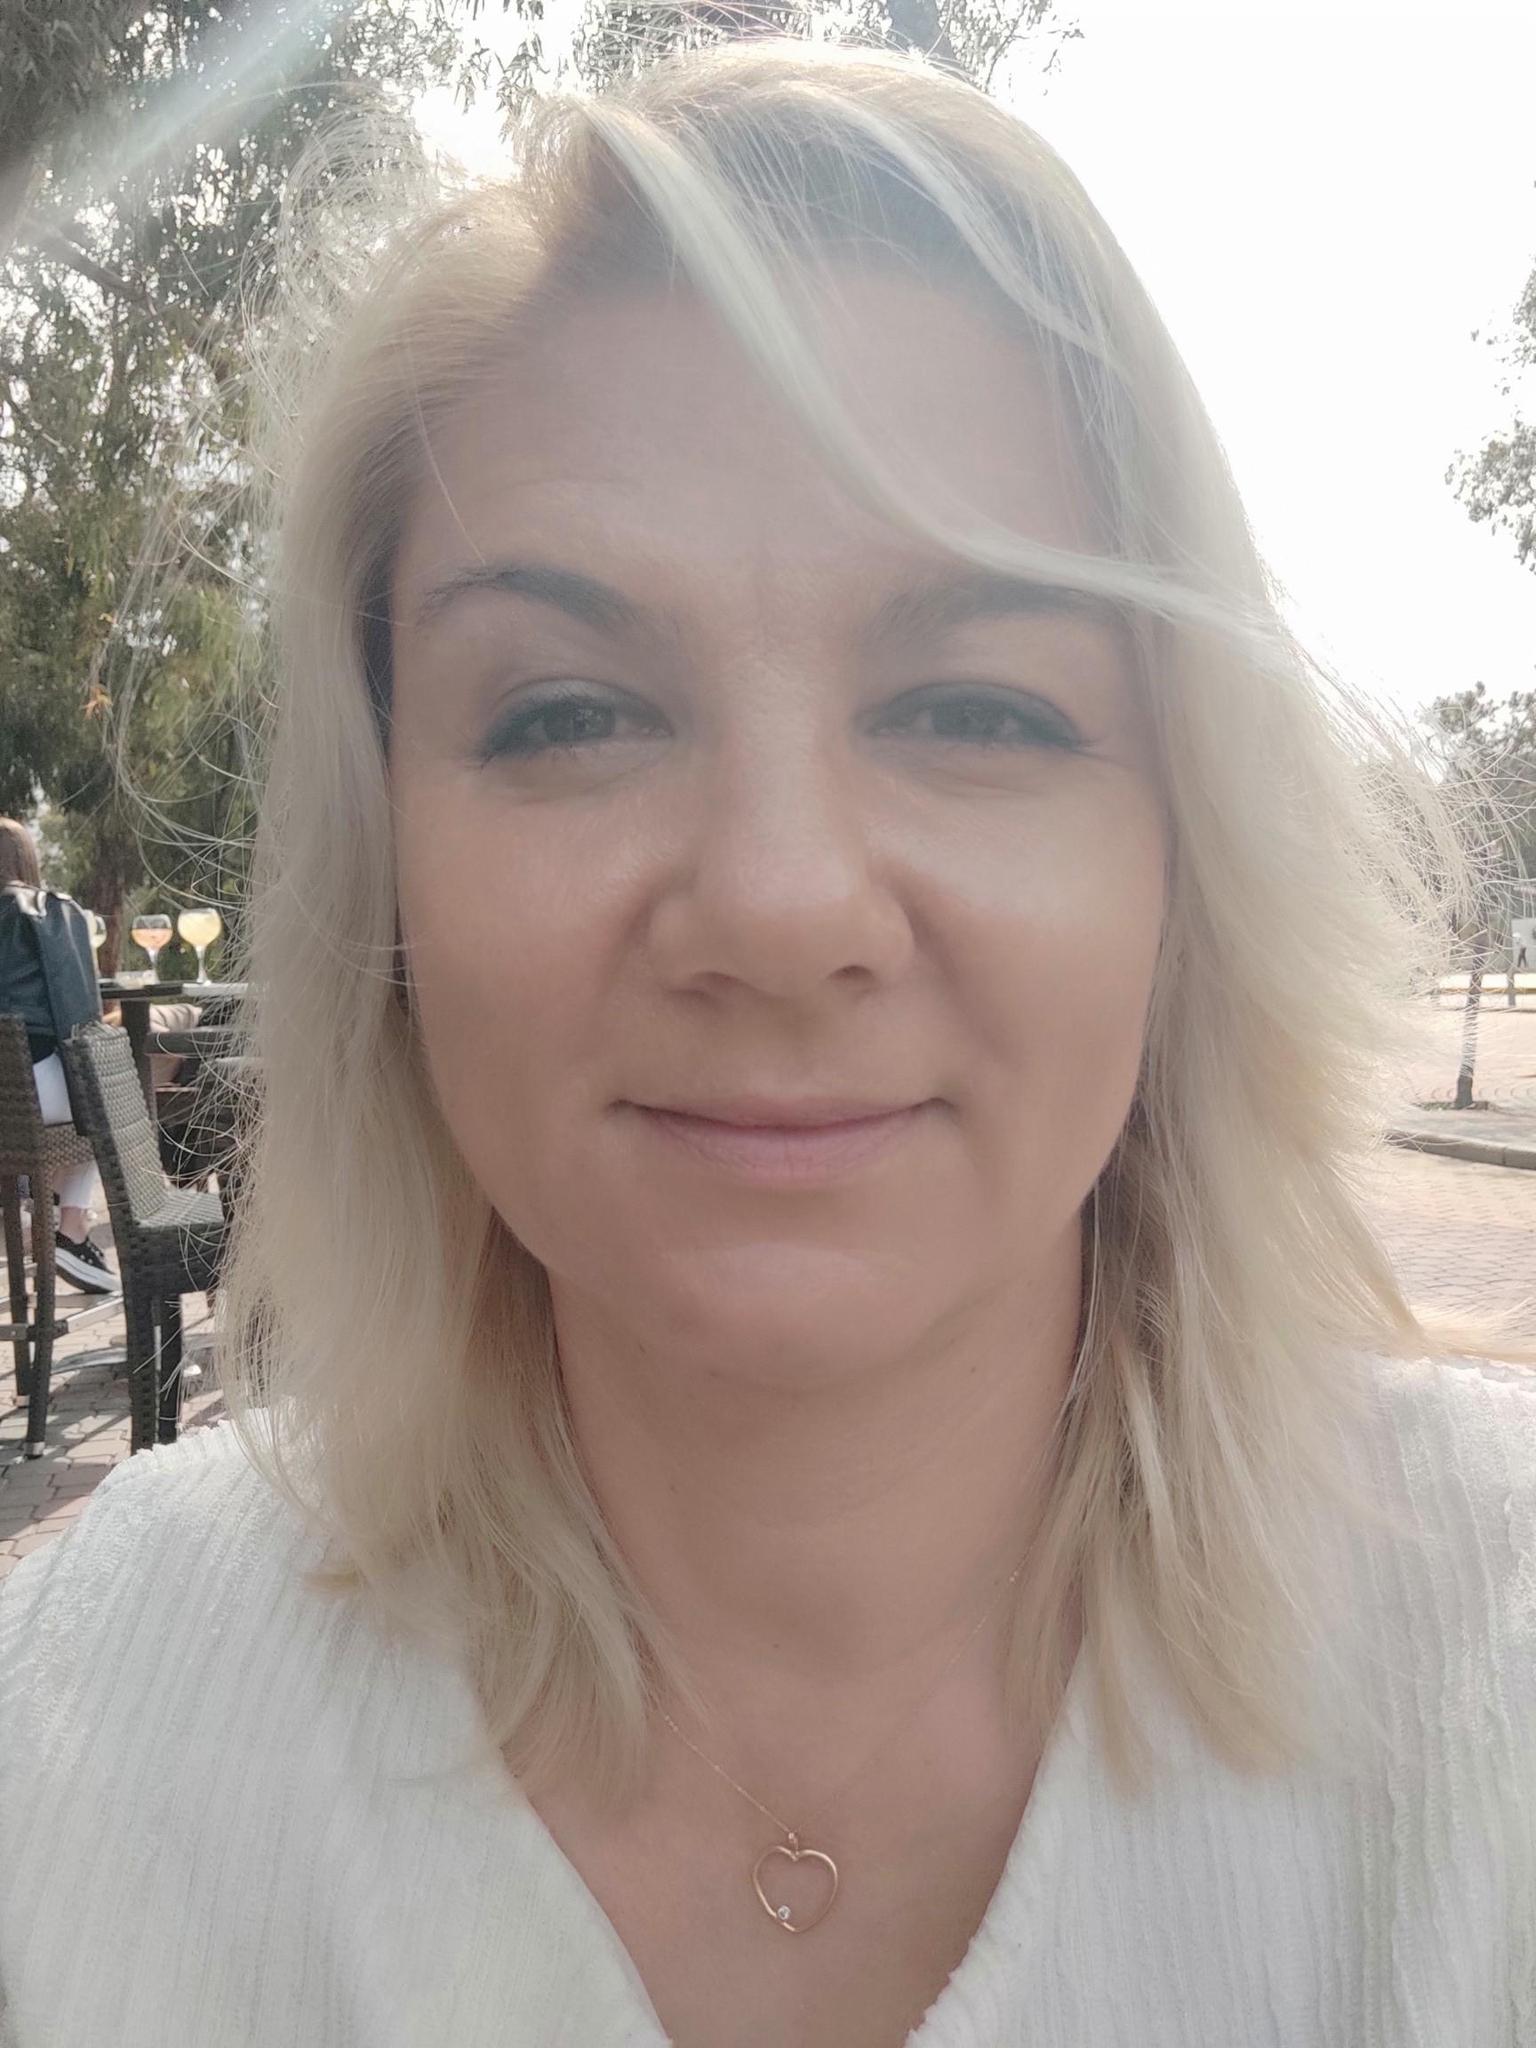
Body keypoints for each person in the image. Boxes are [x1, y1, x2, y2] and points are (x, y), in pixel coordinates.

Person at [1, 39, 1533, 2048]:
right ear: (386, 887)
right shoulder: (86, 1723)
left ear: (1184, 860)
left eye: (976, 708)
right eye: (567, 712)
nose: (782, 905)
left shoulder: (1492, 1676)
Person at [0, 818, 116, 1292]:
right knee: (104, 1091)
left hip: (10, 1100)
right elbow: (81, 1019)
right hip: (31, 1092)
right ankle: (71, 1227)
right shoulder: (51, 911)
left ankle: (43, 1213)